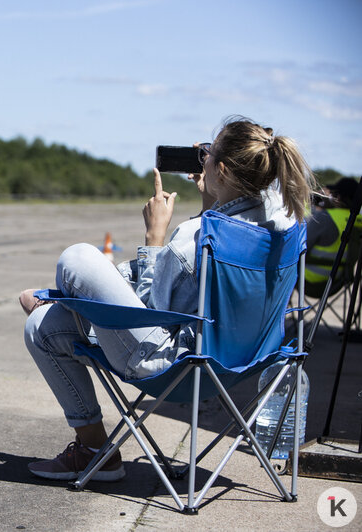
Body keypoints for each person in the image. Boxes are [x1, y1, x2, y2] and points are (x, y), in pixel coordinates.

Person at [21, 116, 315, 482]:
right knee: (41, 326)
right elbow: (238, 216)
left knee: (77, 257)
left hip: (171, 369)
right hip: (242, 364)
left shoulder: (191, 236)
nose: (201, 161)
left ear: (221, 170)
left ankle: (94, 445)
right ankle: (95, 452)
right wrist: (216, 190)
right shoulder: (283, 226)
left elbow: (149, 316)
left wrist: (155, 237)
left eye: (208, 156)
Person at [304, 177, 362, 295]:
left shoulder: (326, 217)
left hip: (309, 280)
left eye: (334, 194)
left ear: (339, 198)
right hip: (340, 281)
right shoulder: (359, 220)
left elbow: (301, 246)